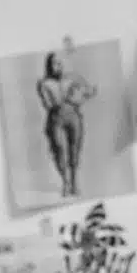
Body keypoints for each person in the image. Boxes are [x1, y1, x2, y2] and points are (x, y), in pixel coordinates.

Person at [37, 52, 98, 198]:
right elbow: (49, 104)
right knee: (59, 150)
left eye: (59, 63)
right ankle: (65, 183)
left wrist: (80, 96)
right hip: (56, 119)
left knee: (74, 150)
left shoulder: (71, 78)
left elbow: (89, 91)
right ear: (48, 66)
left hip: (73, 117)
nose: (57, 66)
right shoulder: (44, 84)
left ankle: (75, 183)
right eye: (53, 63)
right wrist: (68, 98)